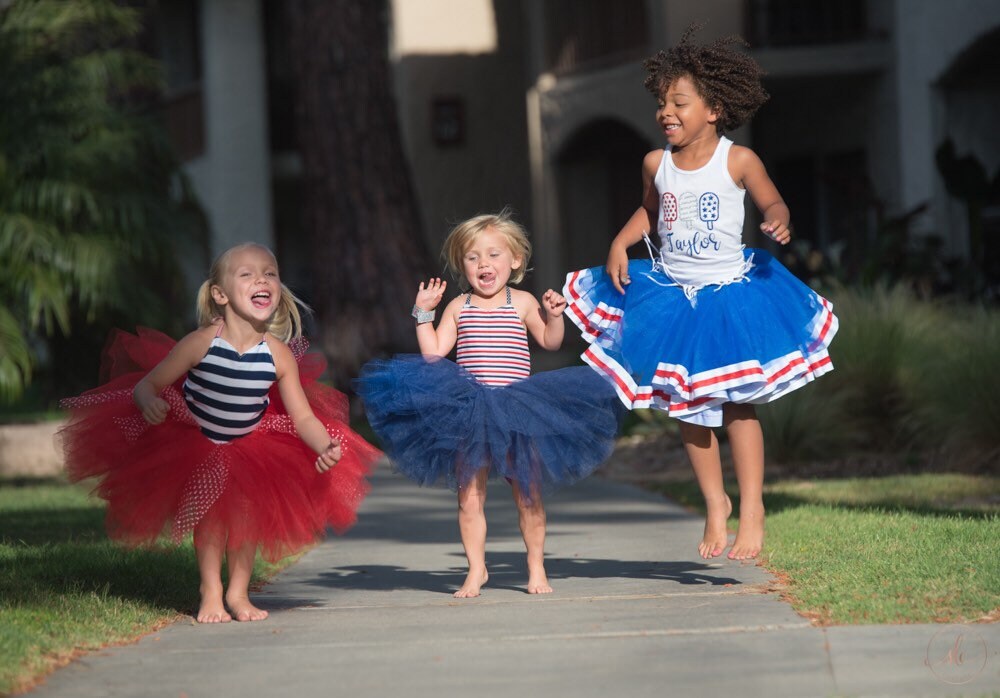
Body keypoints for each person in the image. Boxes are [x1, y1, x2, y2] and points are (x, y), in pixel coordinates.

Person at [562, 26, 838, 561]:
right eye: (661, 102)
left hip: (732, 297)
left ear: (713, 109)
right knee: (687, 407)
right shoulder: (655, 163)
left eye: (679, 102)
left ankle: (752, 507)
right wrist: (622, 241)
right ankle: (716, 503)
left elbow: (772, 204)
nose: (666, 111)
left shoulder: (738, 161)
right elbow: (649, 209)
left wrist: (778, 221)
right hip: (673, 296)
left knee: (738, 406)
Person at [60, 243, 379, 623]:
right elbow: (148, 384)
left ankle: (238, 593)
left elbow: (303, 417)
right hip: (197, 440)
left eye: (270, 273)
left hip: (251, 444)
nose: (262, 279)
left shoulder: (277, 354)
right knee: (211, 520)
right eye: (247, 274)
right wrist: (148, 402)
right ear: (220, 294)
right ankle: (210, 590)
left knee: (246, 519)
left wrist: (323, 445)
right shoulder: (201, 343)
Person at [357, 211, 621, 598]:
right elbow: (433, 355)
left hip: (519, 408)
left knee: (527, 494)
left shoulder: (523, 302)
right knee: (469, 496)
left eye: (494, 255)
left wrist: (553, 315)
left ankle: (536, 568)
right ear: (462, 266)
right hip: (471, 410)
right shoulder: (458, 307)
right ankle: (476, 569)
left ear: (515, 260)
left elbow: (549, 341)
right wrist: (422, 313)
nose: (484, 264)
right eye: (473, 257)